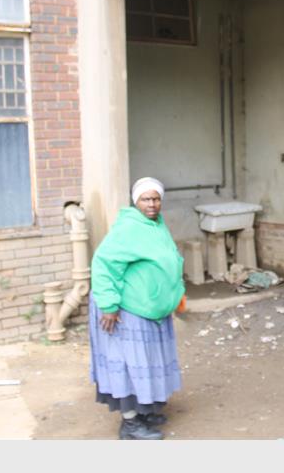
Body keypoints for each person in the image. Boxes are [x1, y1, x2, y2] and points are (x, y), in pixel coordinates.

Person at [89, 177, 185, 440]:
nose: (151, 204)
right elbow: (103, 264)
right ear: (136, 201)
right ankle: (130, 424)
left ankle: (144, 412)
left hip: (148, 310)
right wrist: (109, 306)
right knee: (129, 366)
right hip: (126, 311)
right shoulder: (129, 228)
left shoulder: (156, 224)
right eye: (145, 199)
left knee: (148, 363)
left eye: (156, 199)